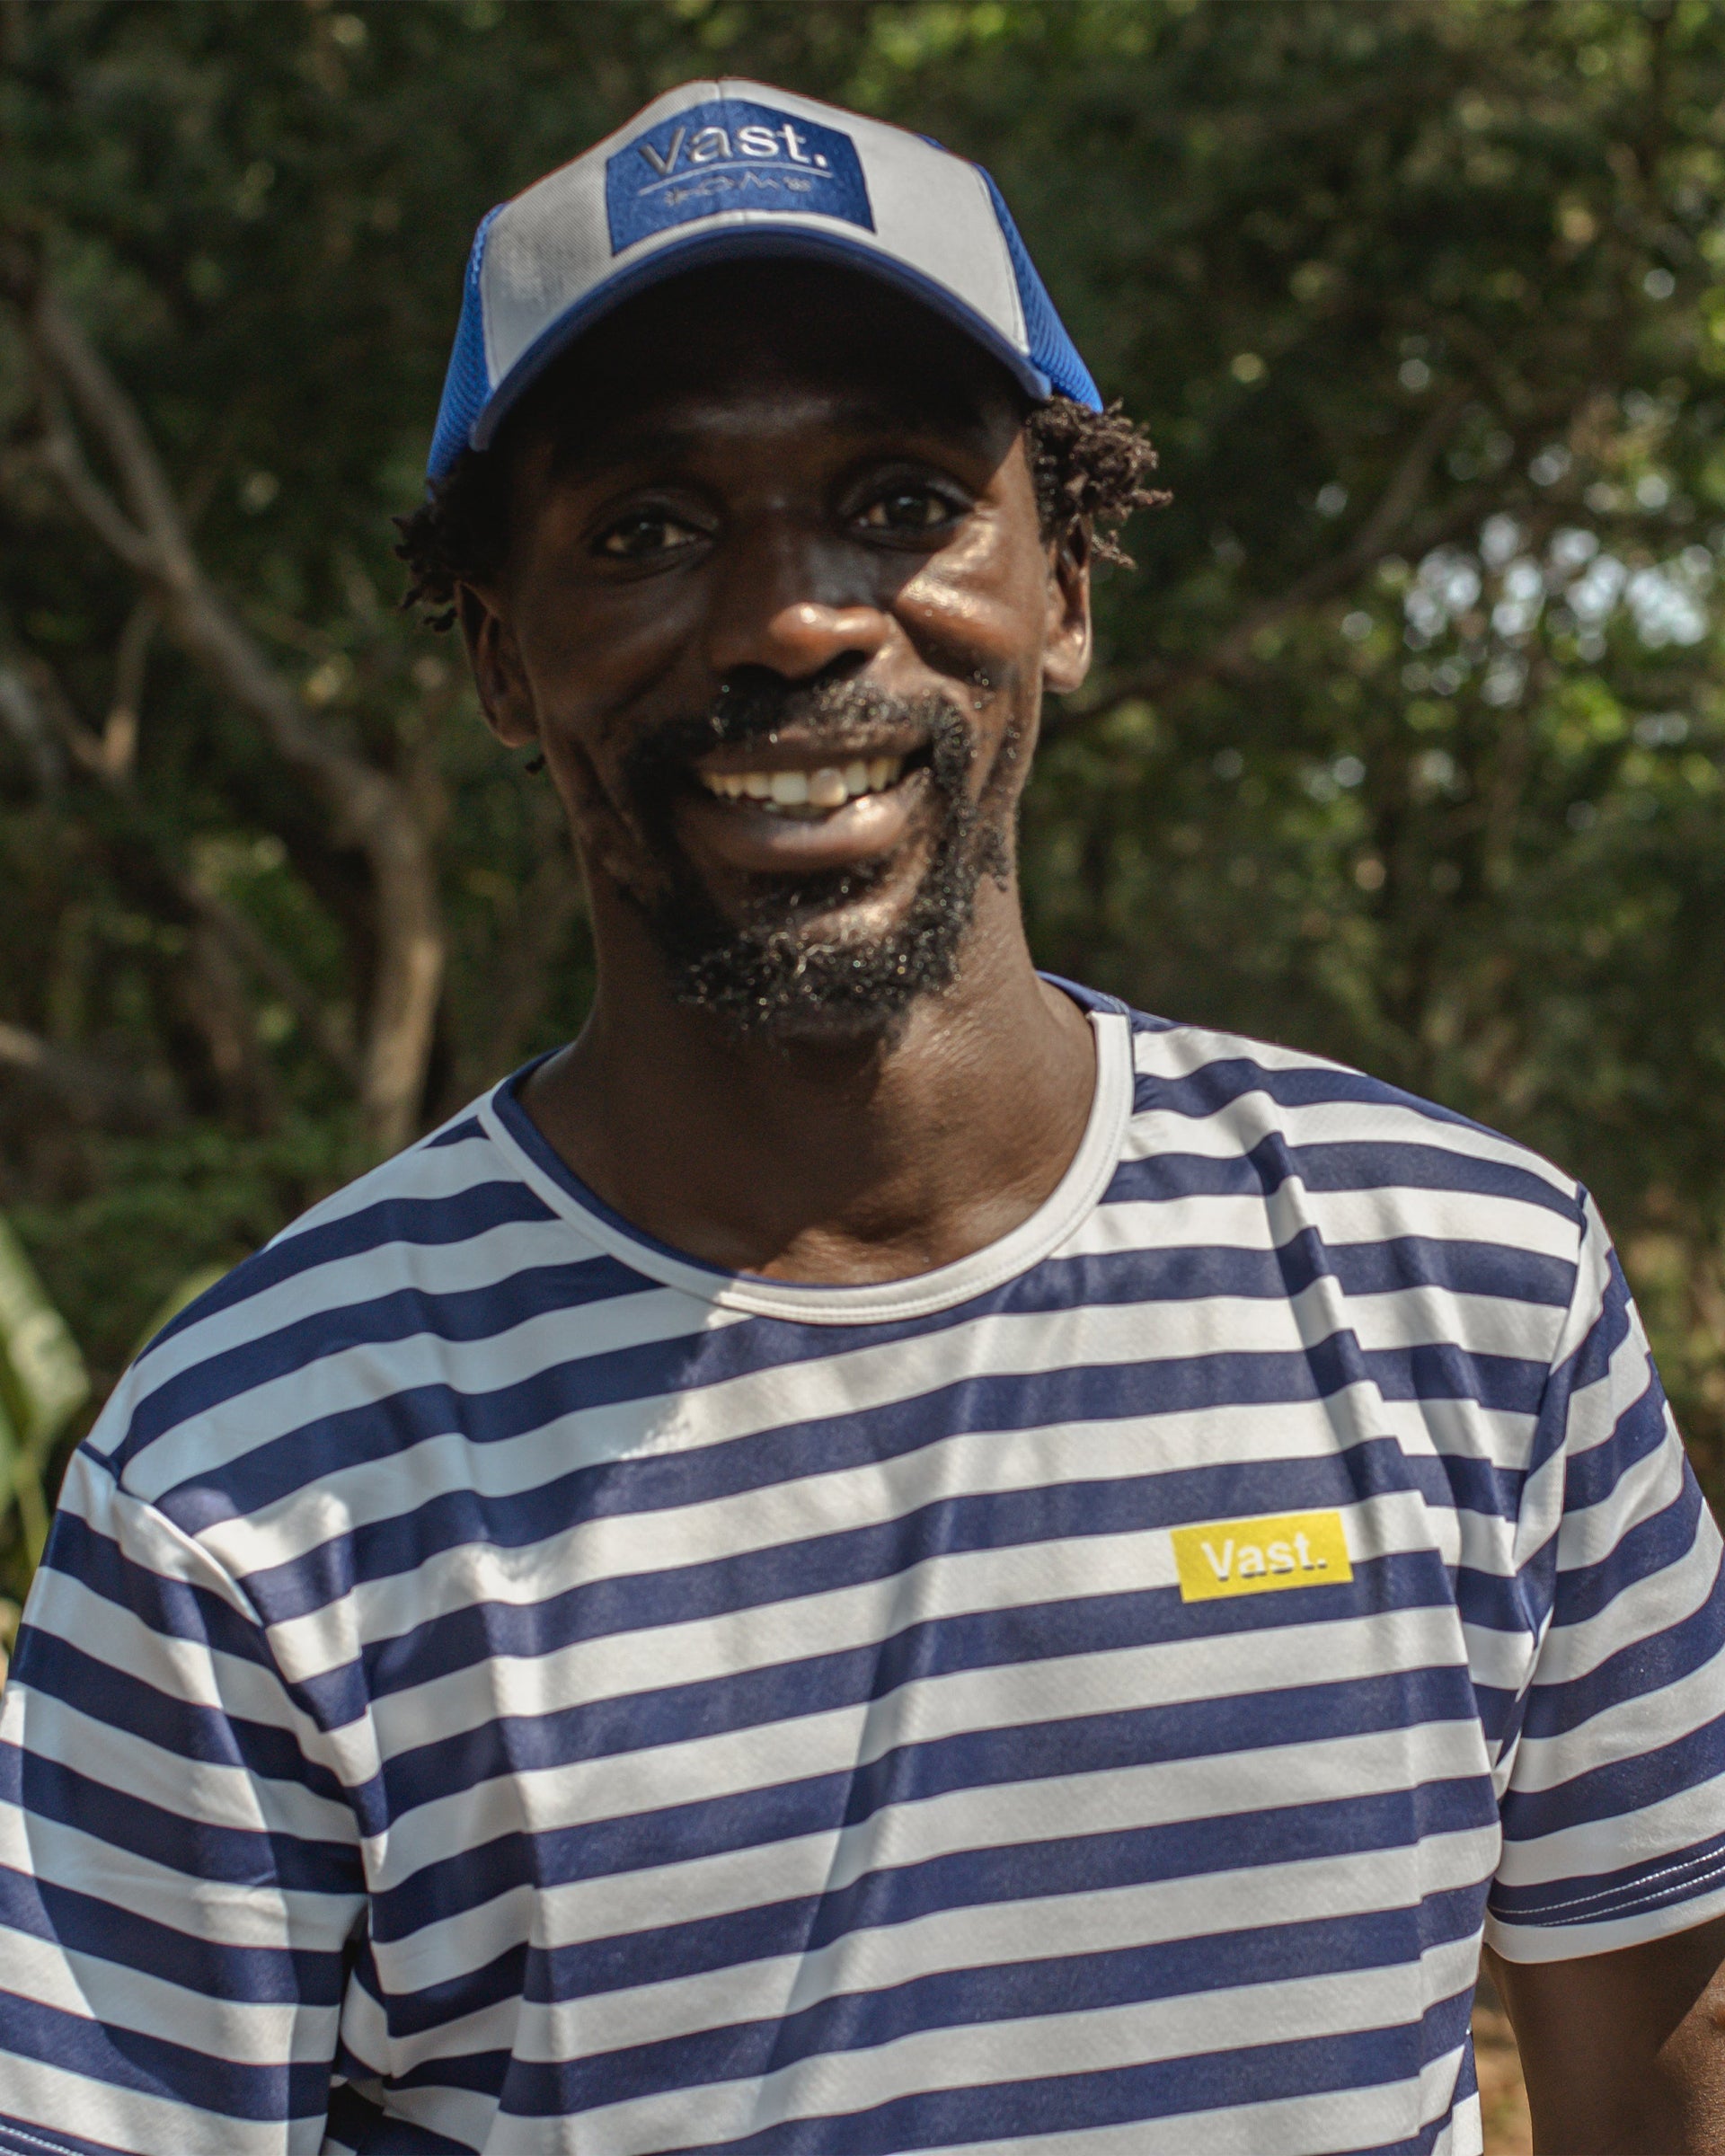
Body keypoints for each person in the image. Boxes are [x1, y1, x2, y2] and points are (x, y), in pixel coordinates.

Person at [2, 77, 1723, 2156]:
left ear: (1066, 589)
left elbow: (1659, 2077)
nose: (795, 619)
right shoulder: (242, 1484)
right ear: (498, 657)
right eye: (646, 530)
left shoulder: (1475, 1287)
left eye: (902, 501)